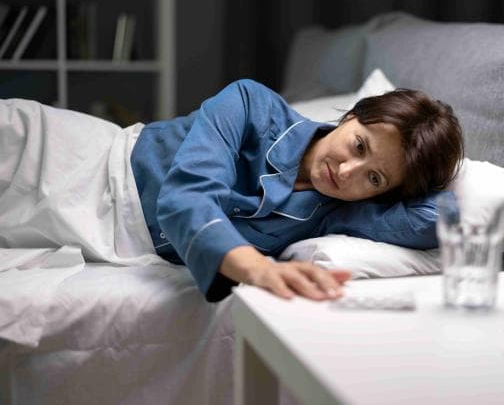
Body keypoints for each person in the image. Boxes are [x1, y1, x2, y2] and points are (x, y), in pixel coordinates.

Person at [0, 79, 463, 303]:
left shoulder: (333, 214)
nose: (348, 171)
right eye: (359, 145)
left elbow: (439, 220)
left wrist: (432, 175)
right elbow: (186, 196)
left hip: (94, 233)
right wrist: (256, 267)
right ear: (350, 116)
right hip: (68, 160)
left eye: (375, 177)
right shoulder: (250, 104)